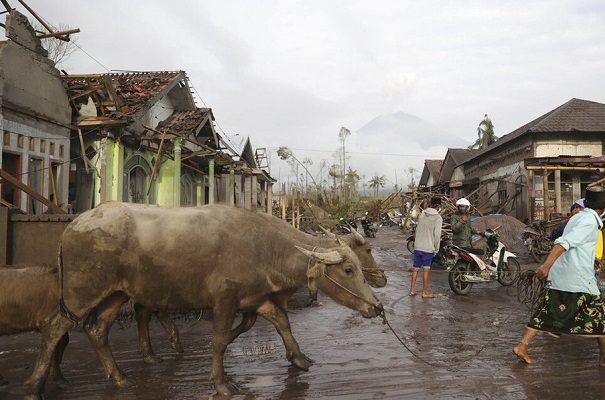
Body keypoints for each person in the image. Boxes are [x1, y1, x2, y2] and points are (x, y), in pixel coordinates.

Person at [513, 186, 605, 366]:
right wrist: (545, 266)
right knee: (601, 319)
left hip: (563, 275)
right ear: (602, 208)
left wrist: (589, 259)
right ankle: (603, 359)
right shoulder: (589, 221)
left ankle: (522, 346)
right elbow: (564, 243)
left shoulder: (578, 217)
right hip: (578, 279)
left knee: (546, 312)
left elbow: (576, 245)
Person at [410, 198, 442, 299]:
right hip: (428, 248)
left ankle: (412, 289)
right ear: (438, 207)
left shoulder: (423, 214)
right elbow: (437, 236)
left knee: (415, 268)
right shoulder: (438, 218)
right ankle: (425, 292)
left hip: (418, 246)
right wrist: (436, 249)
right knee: (426, 270)